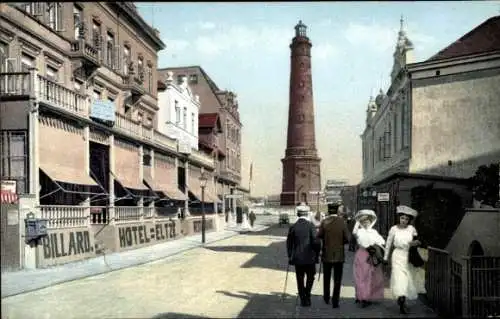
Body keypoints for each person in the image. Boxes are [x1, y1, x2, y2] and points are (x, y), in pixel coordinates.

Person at [384, 205, 421, 314]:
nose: (404, 221)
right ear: (399, 218)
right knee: (399, 277)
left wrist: (415, 243)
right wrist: (386, 257)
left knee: (406, 278)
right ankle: (401, 299)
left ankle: (402, 299)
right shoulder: (393, 229)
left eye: (406, 219)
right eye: (402, 218)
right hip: (397, 255)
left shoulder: (412, 229)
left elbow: (417, 241)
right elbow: (388, 244)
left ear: (409, 220)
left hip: (408, 256)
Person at [286, 203, 321, 307]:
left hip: (297, 259)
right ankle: (307, 295)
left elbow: (289, 244)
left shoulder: (293, 227)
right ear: (307, 214)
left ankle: (303, 299)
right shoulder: (311, 226)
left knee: (300, 279)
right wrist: (317, 253)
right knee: (311, 277)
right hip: (310, 258)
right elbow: (316, 242)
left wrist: (290, 255)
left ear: (298, 214)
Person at [317, 203, 350, 308]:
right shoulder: (342, 222)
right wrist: (340, 243)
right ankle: (335, 301)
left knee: (326, 277)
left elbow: (319, 235)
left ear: (329, 211)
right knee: (337, 279)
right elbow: (347, 239)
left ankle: (326, 298)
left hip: (327, 254)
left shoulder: (324, 222)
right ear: (337, 211)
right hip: (339, 255)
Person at [352, 209, 386, 308]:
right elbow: (355, 233)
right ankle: (362, 296)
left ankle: (368, 296)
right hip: (362, 255)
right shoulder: (360, 231)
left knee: (372, 277)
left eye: (368, 221)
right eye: (364, 221)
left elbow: (382, 242)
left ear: (371, 222)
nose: (366, 223)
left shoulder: (374, 232)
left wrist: (376, 245)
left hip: (372, 256)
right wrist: (358, 221)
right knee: (361, 277)